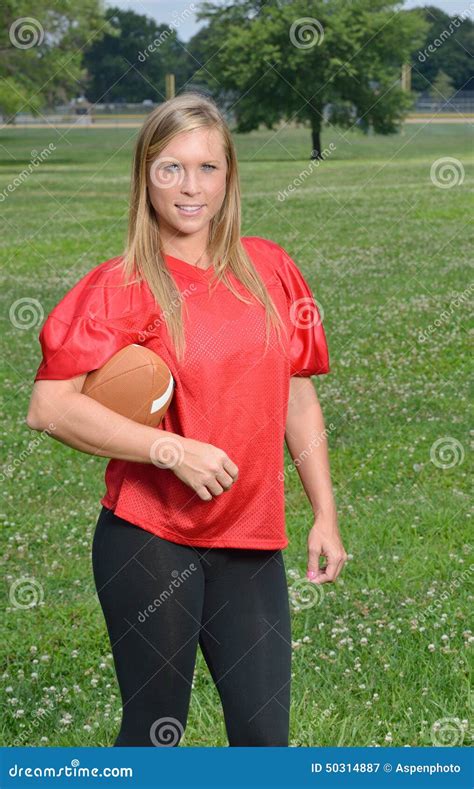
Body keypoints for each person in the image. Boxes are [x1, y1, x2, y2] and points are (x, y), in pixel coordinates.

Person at [26, 92, 347, 747]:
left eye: (207, 167)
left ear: (230, 176)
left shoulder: (270, 268)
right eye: (169, 168)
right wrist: (170, 451)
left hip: (252, 540)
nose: (189, 186)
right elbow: (50, 406)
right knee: (155, 731)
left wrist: (325, 513)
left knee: (265, 738)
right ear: (144, 178)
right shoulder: (120, 284)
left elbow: (296, 395)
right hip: (151, 535)